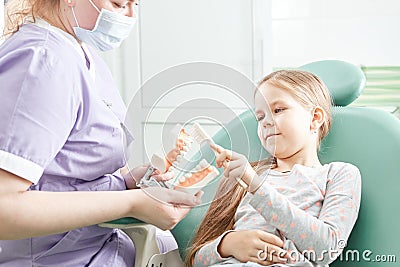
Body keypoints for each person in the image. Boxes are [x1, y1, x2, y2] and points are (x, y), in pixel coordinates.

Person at [0, 0, 202, 266]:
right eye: (119, 3)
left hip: (104, 243)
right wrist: (131, 203)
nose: (130, 16)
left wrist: (129, 181)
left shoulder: (80, 53)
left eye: (135, 4)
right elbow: (5, 208)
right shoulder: (41, 62)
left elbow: (65, 174)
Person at [186, 70, 361, 266]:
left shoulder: (339, 174)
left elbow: (327, 249)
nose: (266, 122)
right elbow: (195, 261)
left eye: (278, 110)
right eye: (260, 117)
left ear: (315, 118)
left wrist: (256, 186)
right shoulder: (245, 177)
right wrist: (226, 245)